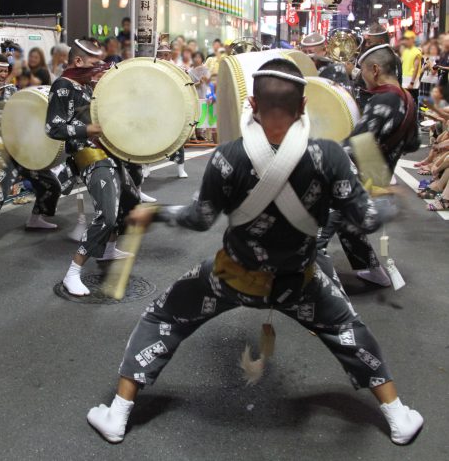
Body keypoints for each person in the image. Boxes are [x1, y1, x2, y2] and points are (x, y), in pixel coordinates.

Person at [85, 58, 424, 447]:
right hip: (298, 282)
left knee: (163, 316)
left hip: (231, 276)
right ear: (303, 106)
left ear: (252, 106)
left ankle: (118, 413)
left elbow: (200, 218)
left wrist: (157, 212)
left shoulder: (228, 156)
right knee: (348, 330)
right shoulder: (330, 157)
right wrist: (390, 202)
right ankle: (398, 415)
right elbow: (364, 219)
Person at [317, 44, 417, 287]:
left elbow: (355, 144)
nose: (360, 75)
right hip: (377, 175)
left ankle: (315, 283)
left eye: (362, 70)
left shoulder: (385, 98)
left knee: (320, 225)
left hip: (360, 177)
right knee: (348, 224)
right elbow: (413, 143)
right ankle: (372, 270)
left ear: (374, 69)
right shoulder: (407, 98)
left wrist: (315, 150)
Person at [46, 39, 140, 296]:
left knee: (130, 200)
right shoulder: (63, 86)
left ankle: (109, 248)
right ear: (77, 61)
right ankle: (73, 272)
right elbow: (53, 128)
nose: (99, 66)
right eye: (93, 62)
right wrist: (86, 128)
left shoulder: (88, 86)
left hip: (109, 153)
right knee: (106, 216)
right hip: (90, 156)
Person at [0, 53, 63, 252]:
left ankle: (35, 219)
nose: (3, 75)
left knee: (51, 184)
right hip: (0, 152)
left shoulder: (11, 92)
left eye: (6, 71)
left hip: (21, 150)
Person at [157, 44, 188, 178]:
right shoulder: (153, 66)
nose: (163, 57)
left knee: (177, 138)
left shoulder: (177, 68)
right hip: (156, 107)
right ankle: (145, 167)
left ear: (170, 55)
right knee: (149, 137)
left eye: (166, 54)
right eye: (161, 54)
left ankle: (180, 168)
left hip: (173, 107)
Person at [401, 31, 422, 105]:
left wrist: (412, 82)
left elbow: (416, 68)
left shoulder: (417, 52)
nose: (405, 41)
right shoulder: (405, 51)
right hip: (404, 78)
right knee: (405, 100)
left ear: (412, 39)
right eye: (405, 39)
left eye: (407, 39)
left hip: (412, 80)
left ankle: (414, 115)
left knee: (413, 100)